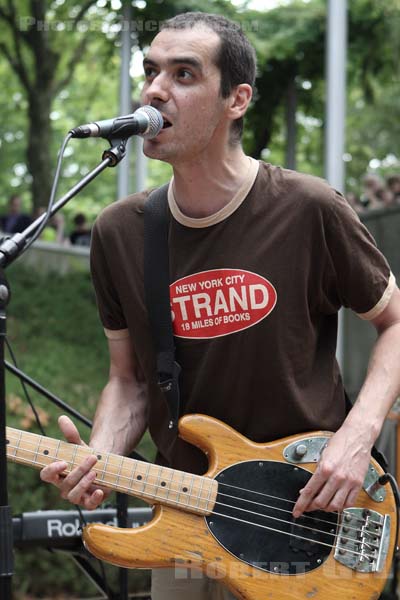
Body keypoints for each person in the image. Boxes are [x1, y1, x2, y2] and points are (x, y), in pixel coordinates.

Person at [40, 12, 400, 600]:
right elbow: (129, 382)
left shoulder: (309, 208)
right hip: (184, 519)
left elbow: (395, 323)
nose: (156, 90)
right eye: (151, 72)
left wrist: (357, 437)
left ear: (237, 99)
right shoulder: (120, 232)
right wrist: (100, 456)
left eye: (184, 75)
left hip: (308, 512)